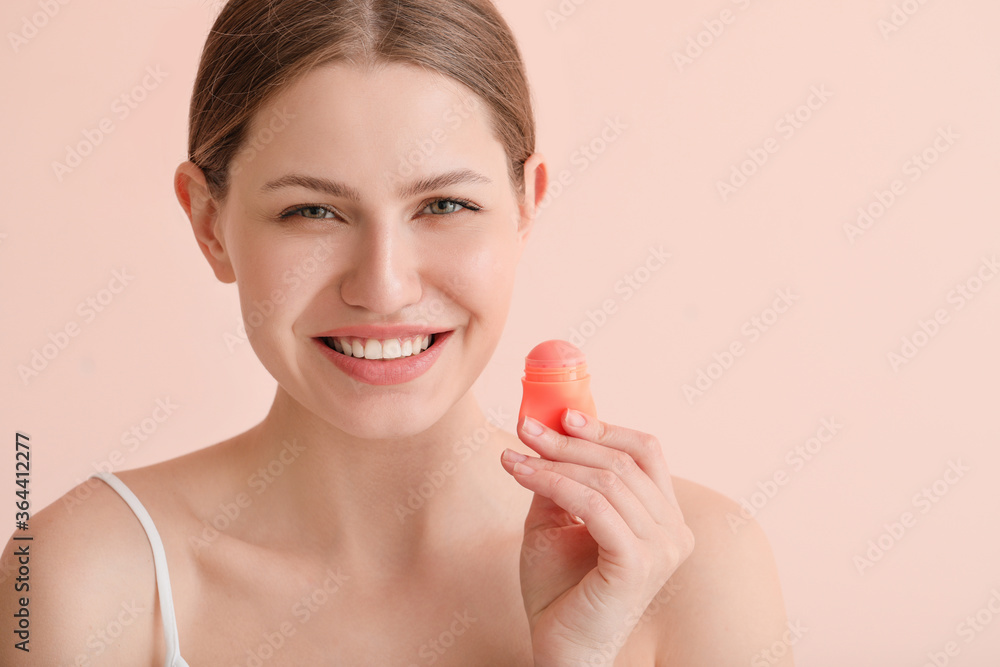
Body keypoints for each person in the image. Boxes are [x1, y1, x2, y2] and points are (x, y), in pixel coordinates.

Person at [1, 0, 792, 664]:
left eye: (444, 206)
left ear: (527, 203)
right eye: (312, 210)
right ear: (209, 223)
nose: (383, 284)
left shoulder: (693, 571)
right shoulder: (80, 576)